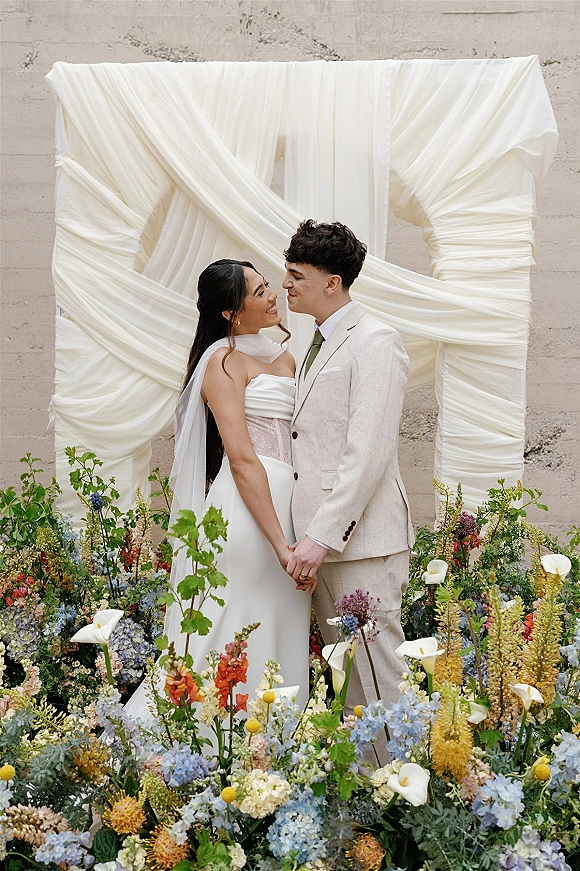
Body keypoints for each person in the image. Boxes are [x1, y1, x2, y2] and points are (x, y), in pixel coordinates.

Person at [126, 259, 311, 720]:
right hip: (250, 516)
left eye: (270, 286)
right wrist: (280, 545)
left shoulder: (284, 356)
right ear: (230, 312)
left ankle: (271, 755)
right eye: (260, 292)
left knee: (281, 625)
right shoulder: (222, 362)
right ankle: (198, 745)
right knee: (236, 627)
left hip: (292, 508)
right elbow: (243, 459)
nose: (274, 296)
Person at [283, 220, 414, 721]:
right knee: (346, 685)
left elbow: (368, 454)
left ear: (331, 282)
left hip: (360, 544)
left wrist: (320, 537)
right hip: (323, 544)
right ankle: (366, 791)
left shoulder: (376, 340)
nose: (286, 285)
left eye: (296, 275)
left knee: (379, 682)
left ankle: (401, 793)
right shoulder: (315, 343)